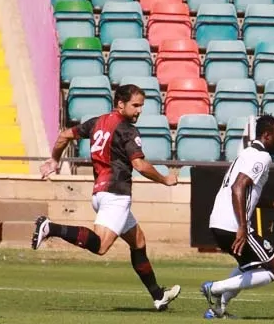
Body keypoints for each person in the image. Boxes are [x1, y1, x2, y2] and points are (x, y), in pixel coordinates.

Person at [30, 84, 181, 311]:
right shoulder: (127, 130)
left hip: (101, 192)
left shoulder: (97, 122)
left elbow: (64, 136)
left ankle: (158, 296)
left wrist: (54, 160)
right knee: (101, 246)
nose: (139, 111)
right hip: (116, 194)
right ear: (120, 104)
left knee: (138, 242)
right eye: (135, 105)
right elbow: (139, 164)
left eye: (141, 106)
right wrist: (165, 179)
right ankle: (51, 228)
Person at [201, 114, 274, 319]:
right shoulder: (262, 157)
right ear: (267, 135)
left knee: (248, 267)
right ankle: (214, 288)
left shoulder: (246, 154)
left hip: (218, 223)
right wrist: (243, 227)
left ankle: (217, 310)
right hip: (233, 224)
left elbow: (249, 195)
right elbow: (238, 187)